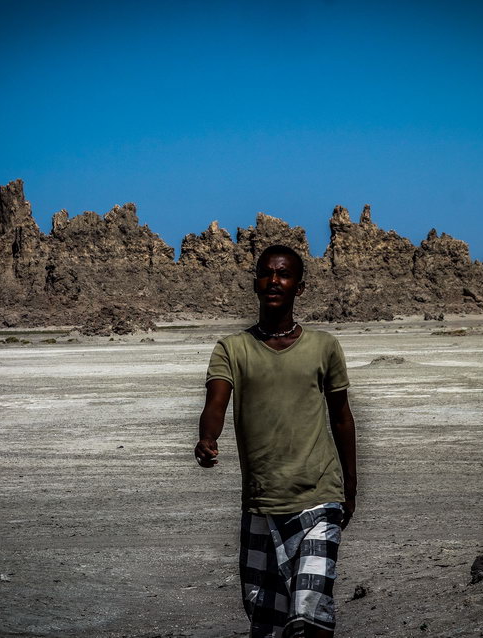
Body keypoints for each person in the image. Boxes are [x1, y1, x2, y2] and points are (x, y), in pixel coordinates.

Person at [195, 244, 357, 638]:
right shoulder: (232, 349)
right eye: (266, 274)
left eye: (284, 274)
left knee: (309, 614)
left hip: (319, 497)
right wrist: (207, 437)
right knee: (267, 623)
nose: (274, 281)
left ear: (299, 287)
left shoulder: (324, 346)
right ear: (255, 284)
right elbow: (216, 401)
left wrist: (350, 488)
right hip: (261, 504)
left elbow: (342, 417)